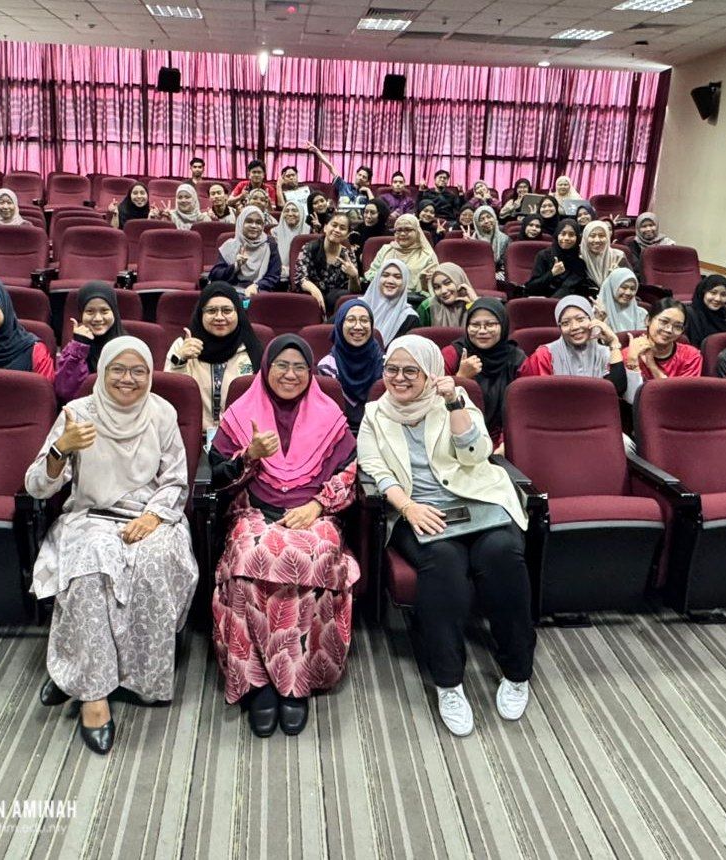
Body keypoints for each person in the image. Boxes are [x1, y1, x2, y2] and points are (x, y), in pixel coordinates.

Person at [27, 336, 199, 755]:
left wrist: (153, 517)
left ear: (150, 374)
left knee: (154, 563)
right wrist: (61, 449)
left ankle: (125, 674)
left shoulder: (162, 412)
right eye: (118, 369)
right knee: (90, 570)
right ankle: (93, 696)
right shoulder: (78, 414)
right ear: (102, 371)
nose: (128, 379)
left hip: (153, 516)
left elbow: (176, 480)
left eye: (138, 370)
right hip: (91, 516)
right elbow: (37, 486)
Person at [356, 335, 534, 738]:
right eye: (392, 369)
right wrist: (408, 508)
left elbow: (476, 455)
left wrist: (454, 403)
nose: (399, 379)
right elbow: (376, 470)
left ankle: (517, 671)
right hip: (420, 512)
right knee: (445, 564)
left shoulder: (455, 400)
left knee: (503, 554)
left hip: (479, 502)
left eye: (411, 371)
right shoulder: (375, 414)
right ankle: (449, 683)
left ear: (430, 373)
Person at [210, 335, 360, 737]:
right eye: (281, 365)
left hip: (314, 512)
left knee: (316, 555)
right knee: (247, 558)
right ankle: (257, 681)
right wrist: (250, 455)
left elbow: (349, 473)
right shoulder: (241, 414)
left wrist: (318, 506)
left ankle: (296, 681)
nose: (290, 374)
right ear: (266, 369)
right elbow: (218, 478)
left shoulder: (329, 415)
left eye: (299, 367)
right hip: (254, 512)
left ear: (310, 373)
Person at [165, 283, 263, 432]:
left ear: (238, 312)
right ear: (201, 314)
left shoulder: (251, 347)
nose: (219, 317)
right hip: (192, 434)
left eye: (227, 310)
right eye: (211, 311)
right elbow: (172, 396)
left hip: (240, 435)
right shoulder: (184, 345)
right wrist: (180, 360)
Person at [441, 299, 525, 447]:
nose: (482, 331)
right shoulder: (452, 354)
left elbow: (523, 409)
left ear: (503, 325)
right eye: (475, 325)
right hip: (455, 437)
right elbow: (435, 405)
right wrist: (461, 377)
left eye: (490, 324)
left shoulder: (517, 359)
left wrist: (505, 444)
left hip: (503, 441)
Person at [519, 295, 627, 398]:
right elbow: (530, 397)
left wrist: (613, 343)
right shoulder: (544, 355)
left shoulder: (605, 353)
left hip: (598, 409)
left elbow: (617, 390)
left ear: (592, 320)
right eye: (566, 323)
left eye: (580, 319)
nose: (574, 327)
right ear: (560, 328)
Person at [318, 300, 384, 434]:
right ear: (340, 324)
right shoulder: (327, 366)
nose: (358, 326)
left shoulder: (386, 365)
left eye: (364, 320)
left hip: (379, 432)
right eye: (351, 320)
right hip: (338, 434)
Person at [54, 281, 124, 402]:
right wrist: (79, 346)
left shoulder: (128, 345)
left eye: (104, 311)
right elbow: (64, 391)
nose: (97, 318)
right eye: (90, 311)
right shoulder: (74, 348)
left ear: (114, 312)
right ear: (81, 314)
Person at [294, 211, 360, 314]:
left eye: (342, 228)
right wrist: (315, 290)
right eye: (334, 225)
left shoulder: (348, 255)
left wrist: (354, 276)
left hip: (336, 305)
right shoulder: (309, 248)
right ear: (325, 228)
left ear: (347, 234)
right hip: (311, 300)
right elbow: (300, 278)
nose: (337, 230)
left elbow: (353, 292)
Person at [626, 298, 703, 386]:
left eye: (677, 326)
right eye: (664, 322)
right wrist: (632, 360)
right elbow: (631, 394)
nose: (669, 330)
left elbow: (683, 393)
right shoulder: (629, 354)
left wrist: (652, 366)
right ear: (648, 320)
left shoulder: (690, 356)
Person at [209, 207, 281, 297]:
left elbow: (274, 276)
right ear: (241, 223)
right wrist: (235, 266)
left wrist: (257, 286)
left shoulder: (270, 244)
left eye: (258, 223)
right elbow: (215, 275)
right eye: (249, 221)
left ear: (263, 226)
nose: (254, 226)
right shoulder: (230, 246)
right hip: (232, 289)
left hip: (259, 290)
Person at [364, 213, 439, 291]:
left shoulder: (427, 255)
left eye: (408, 230)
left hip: (415, 297)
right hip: (385, 294)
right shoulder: (386, 250)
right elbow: (371, 273)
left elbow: (435, 286)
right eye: (399, 230)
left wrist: (423, 283)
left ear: (417, 232)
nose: (402, 234)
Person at [525, 219, 590, 299]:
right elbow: (531, 288)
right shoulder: (544, 256)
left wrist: (551, 303)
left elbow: (570, 289)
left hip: (565, 304)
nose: (566, 238)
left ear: (577, 238)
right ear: (557, 235)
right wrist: (552, 273)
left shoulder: (579, 263)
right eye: (563, 234)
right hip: (540, 301)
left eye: (571, 235)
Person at [361, 259, 420, 345]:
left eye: (397, 277)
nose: (390, 281)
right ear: (377, 278)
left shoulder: (410, 318)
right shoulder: (356, 307)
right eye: (385, 275)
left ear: (404, 282)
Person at [303, 140, 370, 205]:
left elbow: (374, 206)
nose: (360, 178)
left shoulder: (367, 194)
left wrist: (368, 191)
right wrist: (317, 151)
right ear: (356, 175)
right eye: (359, 175)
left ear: (368, 182)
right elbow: (331, 167)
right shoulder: (344, 186)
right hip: (343, 212)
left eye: (364, 177)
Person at [684, 274, 726, 347]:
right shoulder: (689, 314)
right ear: (703, 292)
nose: (718, 299)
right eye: (713, 293)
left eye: (723, 295)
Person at [416, 262, 478, 327]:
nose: (443, 291)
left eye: (447, 283)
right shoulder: (427, 307)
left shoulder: (472, 304)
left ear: (459, 281)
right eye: (437, 287)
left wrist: (476, 304)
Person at [580, 220, 626, 292]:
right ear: (585, 238)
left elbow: (630, 284)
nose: (597, 240)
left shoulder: (618, 257)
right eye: (592, 236)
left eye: (601, 236)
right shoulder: (579, 259)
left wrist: (616, 277)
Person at [270, 201, 310, 281]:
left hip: (304, 277)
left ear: (301, 213)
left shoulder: (310, 232)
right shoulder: (273, 233)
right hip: (278, 277)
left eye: (294, 210)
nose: (290, 214)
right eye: (286, 211)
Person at [598, 268, 647, 333]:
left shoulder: (641, 314)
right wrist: (599, 320)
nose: (628, 293)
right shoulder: (598, 314)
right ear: (612, 287)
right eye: (624, 287)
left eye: (632, 289)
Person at [473, 206, 509, 274]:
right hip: (477, 274)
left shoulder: (505, 240)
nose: (486, 221)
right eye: (482, 219)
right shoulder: (472, 241)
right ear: (477, 224)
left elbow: (506, 266)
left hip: (499, 275)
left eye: (489, 217)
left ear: (494, 217)